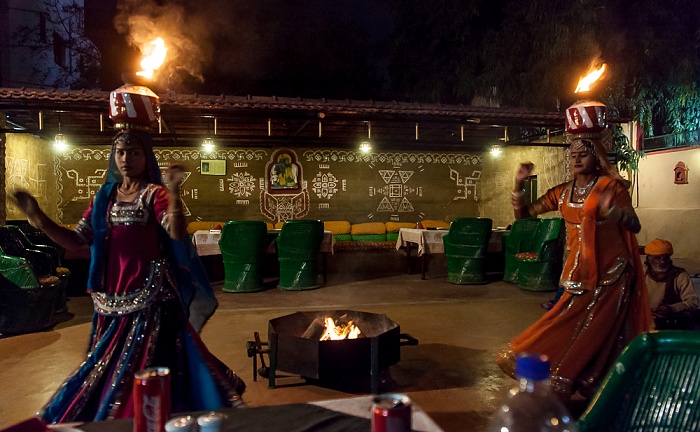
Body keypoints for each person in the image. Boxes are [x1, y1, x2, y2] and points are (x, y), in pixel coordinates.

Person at [11, 128, 245, 422]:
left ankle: (155, 419)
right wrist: (39, 219)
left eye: (134, 152)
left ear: (146, 157)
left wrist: (173, 191)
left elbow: (175, 232)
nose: (126, 159)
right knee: (104, 366)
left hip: (152, 301)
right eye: (120, 152)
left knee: (155, 367)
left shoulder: (153, 194)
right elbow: (77, 242)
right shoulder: (104, 199)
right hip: (110, 301)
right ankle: (116, 419)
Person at [496, 135, 652, 400]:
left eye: (583, 154)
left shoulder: (612, 188)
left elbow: (634, 225)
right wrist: (518, 183)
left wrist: (612, 211)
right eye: (572, 155)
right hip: (576, 273)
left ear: (597, 158)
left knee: (596, 331)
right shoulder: (563, 192)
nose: (577, 158)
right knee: (563, 322)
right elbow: (524, 215)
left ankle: (588, 383)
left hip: (611, 273)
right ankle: (558, 375)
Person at [644, 238, 699, 329]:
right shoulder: (642, 273)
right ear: (649, 259)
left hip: (670, 322)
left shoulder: (680, 276)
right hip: (645, 320)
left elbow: (692, 302)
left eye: (665, 257)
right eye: (657, 258)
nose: (662, 261)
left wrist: (671, 308)